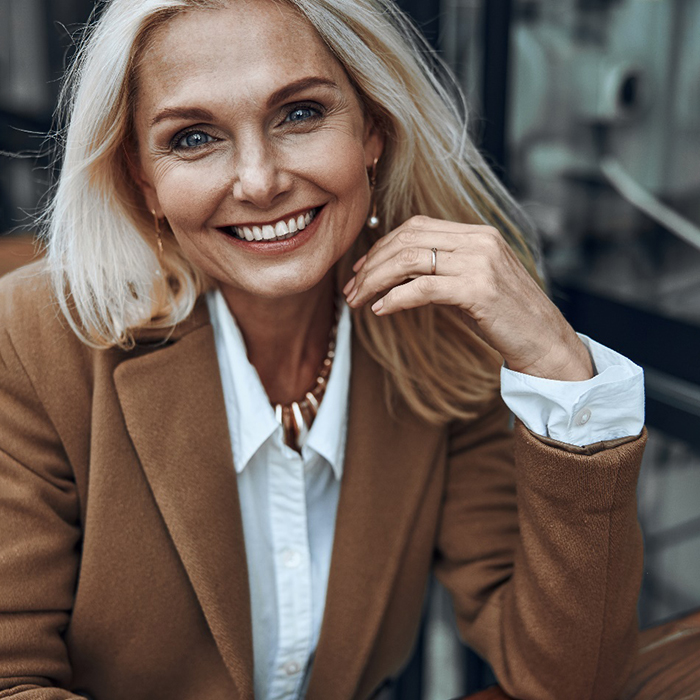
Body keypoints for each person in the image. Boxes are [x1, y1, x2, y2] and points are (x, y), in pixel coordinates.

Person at [0, 0, 646, 698]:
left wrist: (561, 372)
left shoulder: (438, 330)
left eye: (300, 114)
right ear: (142, 179)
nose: (259, 180)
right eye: (192, 138)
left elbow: (568, 677)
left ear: (372, 128)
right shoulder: (35, 338)